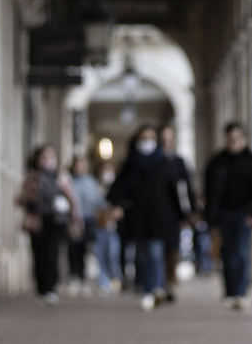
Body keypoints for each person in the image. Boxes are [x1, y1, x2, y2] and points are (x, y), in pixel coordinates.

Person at [107, 125, 182, 311]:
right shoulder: (130, 166)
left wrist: (181, 215)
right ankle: (147, 288)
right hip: (137, 219)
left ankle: (155, 289)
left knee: (155, 253)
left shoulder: (164, 164)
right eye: (143, 138)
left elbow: (175, 192)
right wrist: (118, 205)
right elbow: (117, 190)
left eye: (150, 138)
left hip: (160, 219)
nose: (147, 142)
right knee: (141, 255)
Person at [204, 122, 252, 310]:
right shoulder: (218, 162)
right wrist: (210, 217)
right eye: (231, 139)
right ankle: (230, 292)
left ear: (244, 139)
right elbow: (209, 191)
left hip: (244, 215)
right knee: (227, 253)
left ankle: (241, 292)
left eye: (238, 138)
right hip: (223, 214)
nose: (234, 142)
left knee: (241, 252)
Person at [15, 144, 83, 305]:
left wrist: (76, 220)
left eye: (51, 157)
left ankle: (51, 287)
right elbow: (20, 200)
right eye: (44, 157)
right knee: (39, 254)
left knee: (53, 254)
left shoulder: (62, 177)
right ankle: (42, 288)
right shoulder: (33, 177)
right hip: (38, 221)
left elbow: (72, 200)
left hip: (56, 220)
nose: (48, 160)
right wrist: (30, 194)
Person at [159, 124, 198, 301]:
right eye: (164, 139)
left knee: (173, 248)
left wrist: (191, 212)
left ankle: (171, 283)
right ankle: (158, 283)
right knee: (157, 249)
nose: (167, 142)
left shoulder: (179, 162)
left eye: (170, 138)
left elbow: (187, 187)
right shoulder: (154, 161)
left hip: (174, 212)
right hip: (156, 212)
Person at [66, 155, 102, 298]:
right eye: (78, 164)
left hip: (89, 220)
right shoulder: (69, 181)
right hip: (74, 220)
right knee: (74, 249)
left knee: (87, 249)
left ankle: (85, 280)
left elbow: (98, 200)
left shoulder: (91, 182)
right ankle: (75, 276)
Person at [93, 163, 123, 296]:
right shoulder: (96, 187)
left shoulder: (118, 188)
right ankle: (103, 282)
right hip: (100, 226)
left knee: (113, 254)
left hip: (113, 227)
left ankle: (115, 279)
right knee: (100, 255)